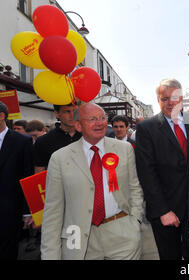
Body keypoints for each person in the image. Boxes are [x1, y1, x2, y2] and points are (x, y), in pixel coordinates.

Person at [41, 103, 144, 260]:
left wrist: (134, 221)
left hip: (123, 234)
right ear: (78, 125)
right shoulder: (60, 158)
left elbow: (135, 187)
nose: (100, 123)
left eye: (103, 118)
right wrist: (50, 254)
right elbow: (53, 210)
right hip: (78, 238)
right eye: (92, 119)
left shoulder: (125, 149)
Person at [135, 79, 189, 260]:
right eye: (164, 99)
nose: (170, 103)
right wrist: (163, 211)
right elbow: (147, 174)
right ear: (158, 100)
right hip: (166, 213)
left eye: (174, 98)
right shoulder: (146, 128)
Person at [0, 102, 34, 259]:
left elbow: (28, 174)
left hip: (10, 209)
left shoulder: (22, 141)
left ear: (2, 116)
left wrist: (28, 210)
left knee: (8, 250)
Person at [33, 104, 82, 173]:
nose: (72, 115)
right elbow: (39, 170)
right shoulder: (44, 141)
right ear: (57, 114)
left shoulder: (89, 137)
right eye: (67, 111)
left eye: (75, 111)